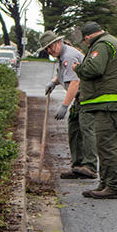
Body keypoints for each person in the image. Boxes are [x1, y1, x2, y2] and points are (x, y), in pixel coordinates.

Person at [73, 22, 117, 199]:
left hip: (111, 105)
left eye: (86, 42)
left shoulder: (101, 45)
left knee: (108, 147)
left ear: (87, 38)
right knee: (106, 146)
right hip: (113, 105)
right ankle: (105, 183)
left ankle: (114, 187)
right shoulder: (109, 42)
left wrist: (78, 68)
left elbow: (94, 69)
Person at [37, 31, 96, 179]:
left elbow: (75, 82)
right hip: (79, 99)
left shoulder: (68, 56)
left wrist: (64, 105)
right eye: (47, 49)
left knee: (86, 129)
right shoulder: (62, 56)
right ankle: (78, 166)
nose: (50, 51)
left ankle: (90, 167)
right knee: (74, 129)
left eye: (50, 47)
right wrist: (54, 82)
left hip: (88, 96)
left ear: (58, 42)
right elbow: (64, 74)